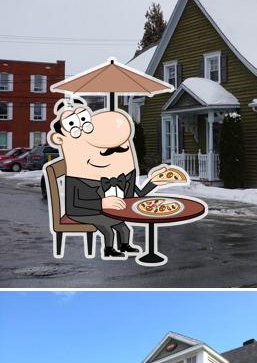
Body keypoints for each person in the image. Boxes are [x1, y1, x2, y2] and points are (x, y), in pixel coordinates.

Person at [46, 98, 175, 259]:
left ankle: (124, 245)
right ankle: (109, 249)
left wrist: (154, 182)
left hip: (102, 209)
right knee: (107, 225)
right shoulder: (77, 178)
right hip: (80, 212)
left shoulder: (117, 175)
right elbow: (74, 203)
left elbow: (138, 195)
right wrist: (102, 203)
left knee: (123, 227)